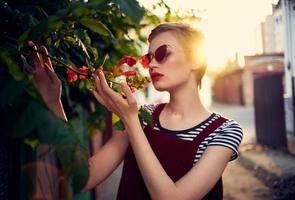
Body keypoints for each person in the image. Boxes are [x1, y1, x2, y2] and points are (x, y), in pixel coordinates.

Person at [29, 23, 243, 200]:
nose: (151, 65)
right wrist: (52, 102)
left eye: (162, 53)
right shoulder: (143, 115)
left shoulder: (225, 131)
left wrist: (130, 121)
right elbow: (83, 176)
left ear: (196, 59)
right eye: (150, 58)